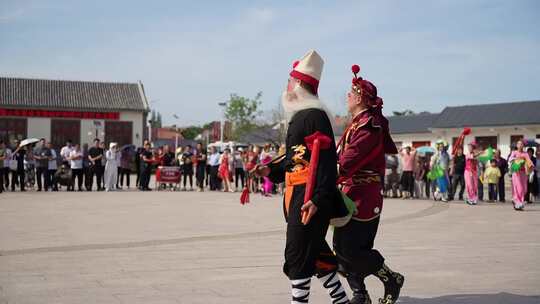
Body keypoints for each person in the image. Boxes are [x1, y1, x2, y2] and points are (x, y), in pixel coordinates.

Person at [254, 50, 350, 304]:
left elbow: (328, 164)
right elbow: (295, 160)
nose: (286, 86)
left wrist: (317, 199)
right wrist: (270, 170)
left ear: (297, 84)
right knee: (314, 253)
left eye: (289, 81)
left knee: (297, 253)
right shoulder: (301, 116)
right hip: (296, 193)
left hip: (309, 197)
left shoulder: (313, 116)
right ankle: (341, 301)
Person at [334, 64, 404, 304]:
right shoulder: (356, 123)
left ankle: (391, 279)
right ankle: (360, 295)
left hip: (363, 196)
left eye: (351, 93)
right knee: (341, 251)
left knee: (352, 250)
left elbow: (348, 161)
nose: (347, 96)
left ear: (361, 97)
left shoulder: (369, 126)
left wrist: (326, 174)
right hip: (350, 192)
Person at [509, 140, 534, 210]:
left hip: (524, 173)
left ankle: (516, 201)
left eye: (521, 144)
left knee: (525, 189)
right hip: (516, 173)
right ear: (517, 145)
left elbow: (529, 161)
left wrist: (531, 168)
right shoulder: (514, 152)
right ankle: (518, 202)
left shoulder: (525, 154)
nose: (520, 145)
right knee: (519, 188)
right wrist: (517, 159)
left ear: (523, 146)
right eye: (519, 144)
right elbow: (510, 159)